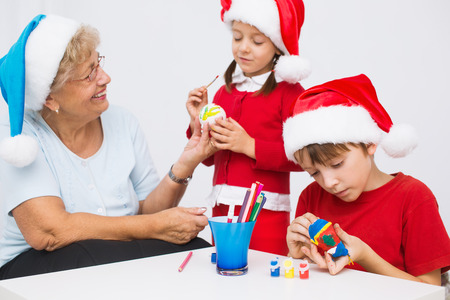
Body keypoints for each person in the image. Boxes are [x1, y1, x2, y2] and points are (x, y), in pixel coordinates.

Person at [0, 14, 214, 280]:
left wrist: (186, 162)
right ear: (50, 98)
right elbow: (49, 233)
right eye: (89, 74)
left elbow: (150, 214)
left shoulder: (122, 121)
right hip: (35, 264)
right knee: (92, 260)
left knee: (197, 252)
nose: (105, 78)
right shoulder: (19, 139)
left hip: (113, 251)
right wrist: (153, 226)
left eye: (98, 63)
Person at [283, 74, 450, 285]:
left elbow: (431, 291)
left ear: (370, 143)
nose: (328, 182)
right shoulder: (311, 196)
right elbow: (302, 284)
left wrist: (365, 257)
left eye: (336, 164)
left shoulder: (414, 198)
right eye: (314, 173)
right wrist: (295, 256)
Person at [185, 0, 310, 255]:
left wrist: (249, 146)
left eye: (257, 41)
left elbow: (305, 158)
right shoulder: (224, 91)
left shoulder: (290, 93)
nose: (243, 48)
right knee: (225, 277)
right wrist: (198, 122)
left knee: (263, 281)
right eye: (237, 37)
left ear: (277, 45)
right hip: (222, 212)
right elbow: (209, 160)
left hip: (265, 214)